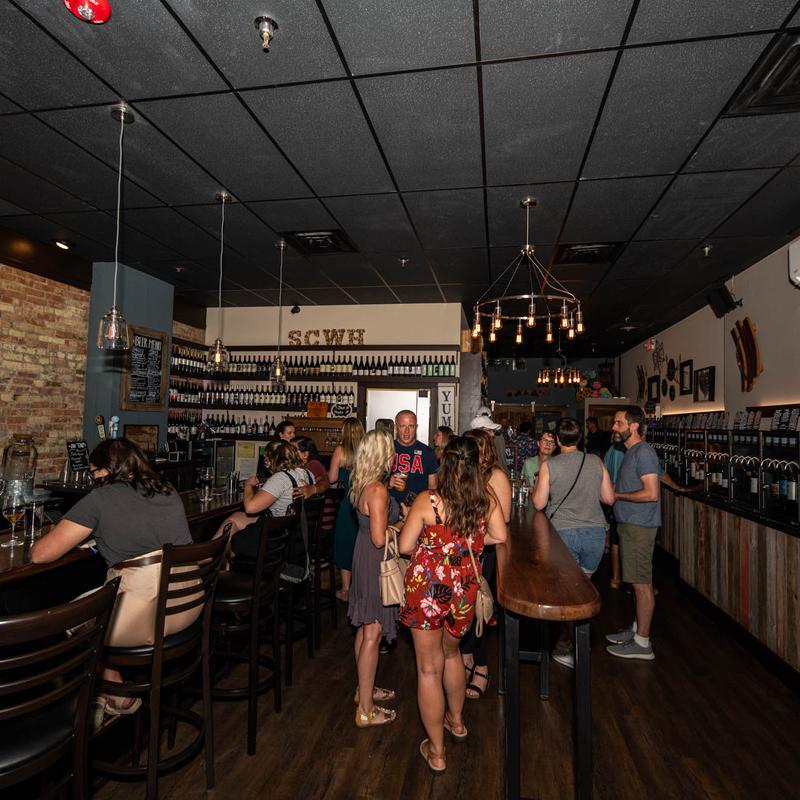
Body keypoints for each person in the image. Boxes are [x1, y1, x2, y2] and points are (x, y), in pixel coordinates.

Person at [31, 438, 198, 717]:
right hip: (185, 607)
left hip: (142, 617)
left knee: (69, 619)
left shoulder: (100, 499)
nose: (93, 479)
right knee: (100, 607)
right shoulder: (167, 490)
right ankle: (113, 691)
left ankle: (73, 714)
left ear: (106, 470)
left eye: (93, 472)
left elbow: (40, 555)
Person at [399, 436, 507, 774]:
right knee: (452, 654)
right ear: (475, 465)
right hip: (464, 588)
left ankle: (437, 751)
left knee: (428, 668)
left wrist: (436, 546)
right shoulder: (485, 499)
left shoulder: (428, 500)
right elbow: (500, 536)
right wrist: (468, 543)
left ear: (445, 463)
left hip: (428, 589)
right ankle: (457, 722)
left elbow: (404, 546)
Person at [532, 418, 615, 667]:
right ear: (580, 439)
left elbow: (539, 504)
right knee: (582, 589)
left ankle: (571, 645)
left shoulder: (550, 465)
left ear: (558, 440)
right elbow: (609, 498)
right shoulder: (596, 461)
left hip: (564, 535)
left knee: (567, 593)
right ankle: (575, 642)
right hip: (594, 535)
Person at [347, 430, 400, 727]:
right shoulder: (378, 489)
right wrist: (402, 526)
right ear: (383, 455)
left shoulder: (362, 483)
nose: (394, 455)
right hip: (373, 560)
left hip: (362, 554)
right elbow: (380, 538)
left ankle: (363, 690)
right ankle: (366, 710)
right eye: (391, 450)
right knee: (373, 633)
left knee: (365, 627)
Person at [460, 428, 512, 699]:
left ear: (485, 449)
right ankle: (465, 654)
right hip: (462, 552)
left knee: (479, 608)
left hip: (484, 552)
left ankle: (481, 665)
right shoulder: (464, 474)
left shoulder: (496, 476)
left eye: (475, 447)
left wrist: (474, 540)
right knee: (462, 608)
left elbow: (503, 521)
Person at [605, 406, 660, 661]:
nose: (614, 427)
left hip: (640, 526)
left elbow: (651, 493)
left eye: (618, 423)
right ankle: (637, 629)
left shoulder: (644, 452)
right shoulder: (631, 452)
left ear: (634, 426)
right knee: (636, 583)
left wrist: (616, 494)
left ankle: (642, 643)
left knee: (642, 585)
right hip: (630, 524)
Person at [226, 442, 316, 559]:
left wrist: (248, 485)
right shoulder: (309, 474)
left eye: (266, 459)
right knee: (234, 518)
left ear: (272, 459)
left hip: (275, 538)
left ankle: (215, 559)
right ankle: (222, 563)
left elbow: (250, 507)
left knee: (230, 535)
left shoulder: (281, 478)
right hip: (294, 535)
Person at [329, 418, 366, 602]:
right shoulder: (366, 450)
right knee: (362, 544)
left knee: (345, 544)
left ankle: (345, 590)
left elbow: (332, 478)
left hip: (347, 503)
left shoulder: (340, 450)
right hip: (365, 502)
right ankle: (361, 589)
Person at [388, 410, 438, 506]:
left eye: (411, 426)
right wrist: (388, 483)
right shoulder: (386, 450)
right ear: (396, 428)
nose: (407, 431)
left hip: (418, 508)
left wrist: (431, 509)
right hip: (389, 508)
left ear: (416, 428)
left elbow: (433, 488)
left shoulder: (428, 452)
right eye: (402, 426)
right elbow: (372, 483)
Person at [467, 406, 508, 472]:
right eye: (489, 430)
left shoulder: (484, 449)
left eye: (492, 430)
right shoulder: (471, 453)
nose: (493, 434)